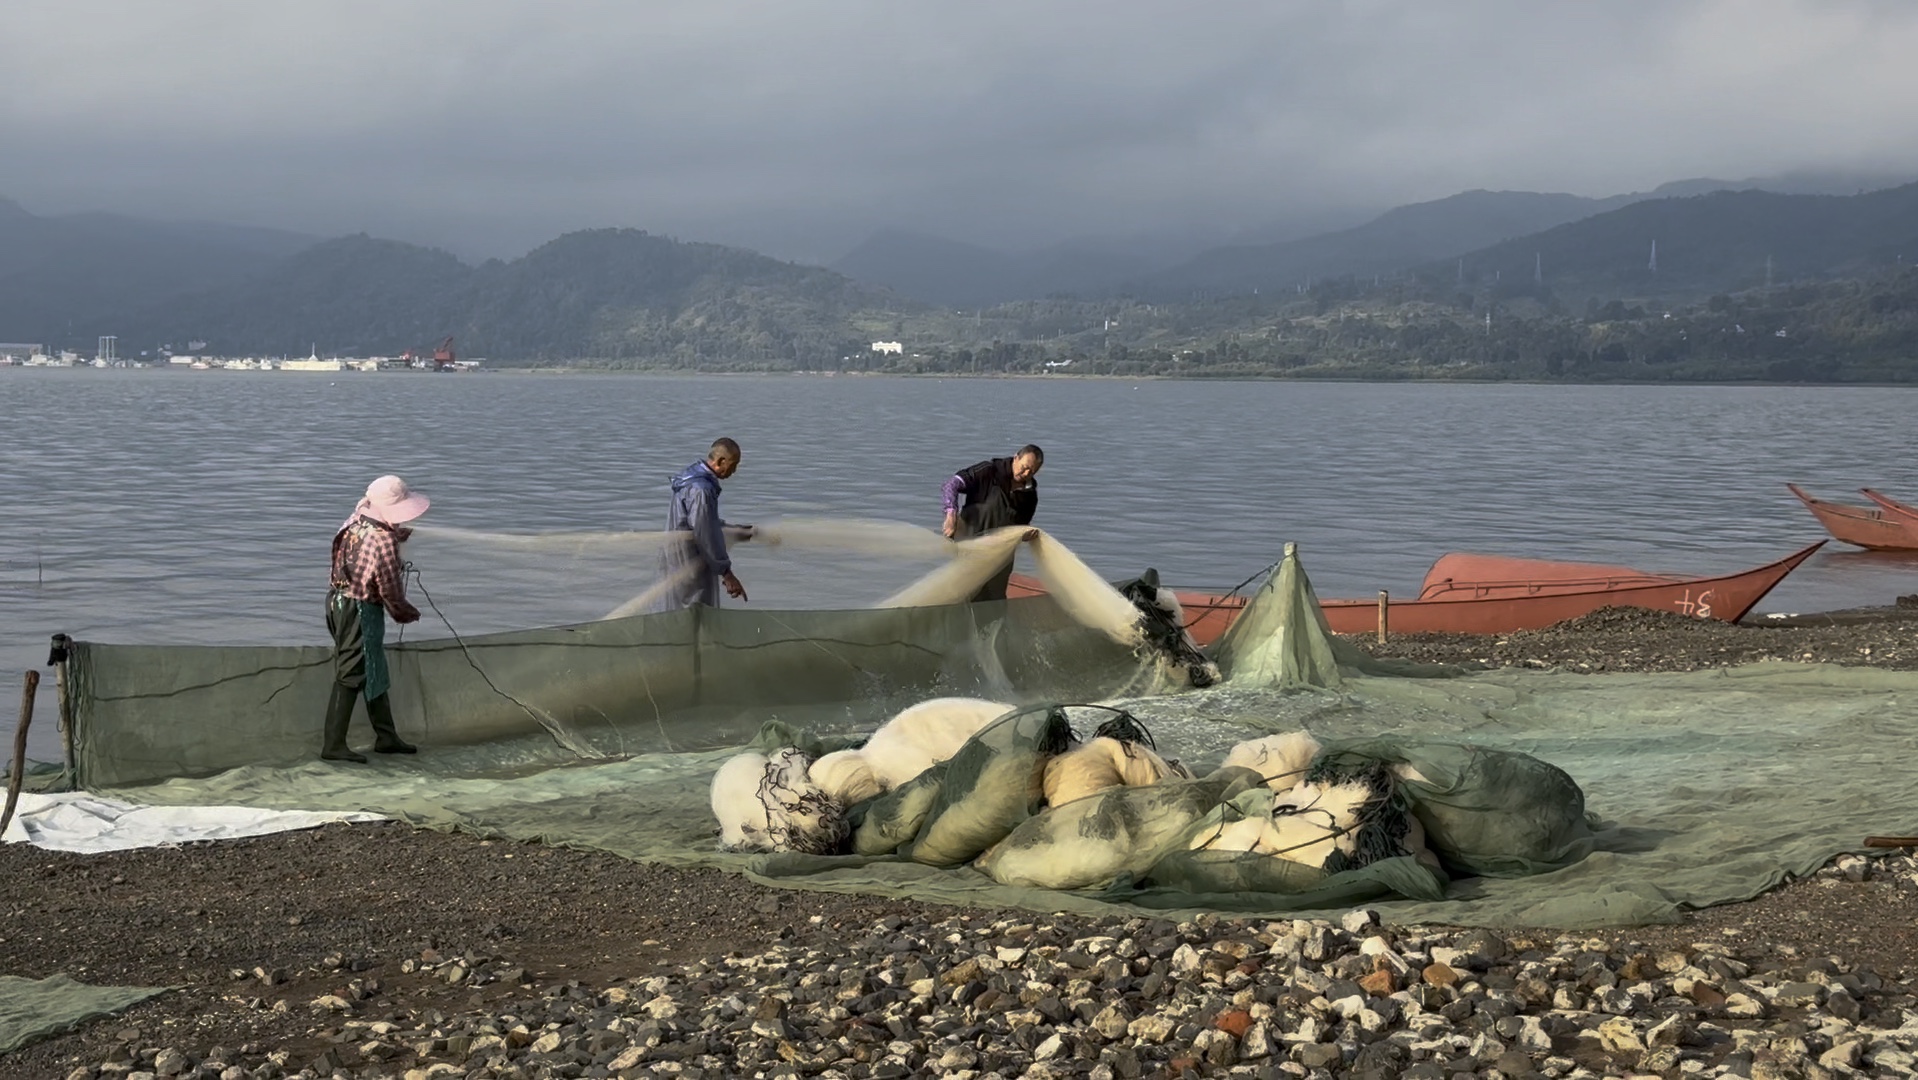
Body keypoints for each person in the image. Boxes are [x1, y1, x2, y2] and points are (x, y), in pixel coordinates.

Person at [322, 475, 428, 763]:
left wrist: (394, 537)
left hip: (337, 601)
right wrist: (404, 611)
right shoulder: (384, 542)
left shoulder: (355, 520)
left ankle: (386, 736)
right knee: (351, 673)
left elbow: (366, 549)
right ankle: (333, 745)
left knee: (373, 669)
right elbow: (390, 589)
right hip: (358, 609)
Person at [649, 437, 752, 612]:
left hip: (674, 557)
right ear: (720, 461)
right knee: (694, 613)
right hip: (690, 564)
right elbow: (704, 533)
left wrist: (734, 530)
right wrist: (726, 573)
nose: (734, 471)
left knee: (675, 611)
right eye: (733, 465)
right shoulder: (701, 489)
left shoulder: (690, 479)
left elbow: (701, 522)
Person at [940, 444, 1044, 602]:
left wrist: (1026, 535)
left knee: (995, 600)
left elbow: (1019, 529)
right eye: (1024, 467)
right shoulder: (989, 472)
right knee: (968, 595)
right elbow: (951, 485)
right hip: (970, 548)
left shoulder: (1029, 496)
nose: (1026, 473)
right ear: (1016, 458)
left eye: (1032, 471)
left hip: (1001, 558)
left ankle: (997, 627)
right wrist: (951, 514)